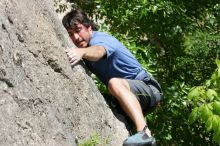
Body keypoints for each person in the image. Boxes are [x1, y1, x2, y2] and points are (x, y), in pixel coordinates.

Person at [62, 9, 163, 146]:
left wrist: (82, 52)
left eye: (78, 30)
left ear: (89, 27)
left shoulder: (100, 39)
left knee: (114, 83)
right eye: (70, 34)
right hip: (129, 97)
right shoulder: (86, 51)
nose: (76, 38)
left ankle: (144, 133)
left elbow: (99, 51)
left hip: (148, 88)